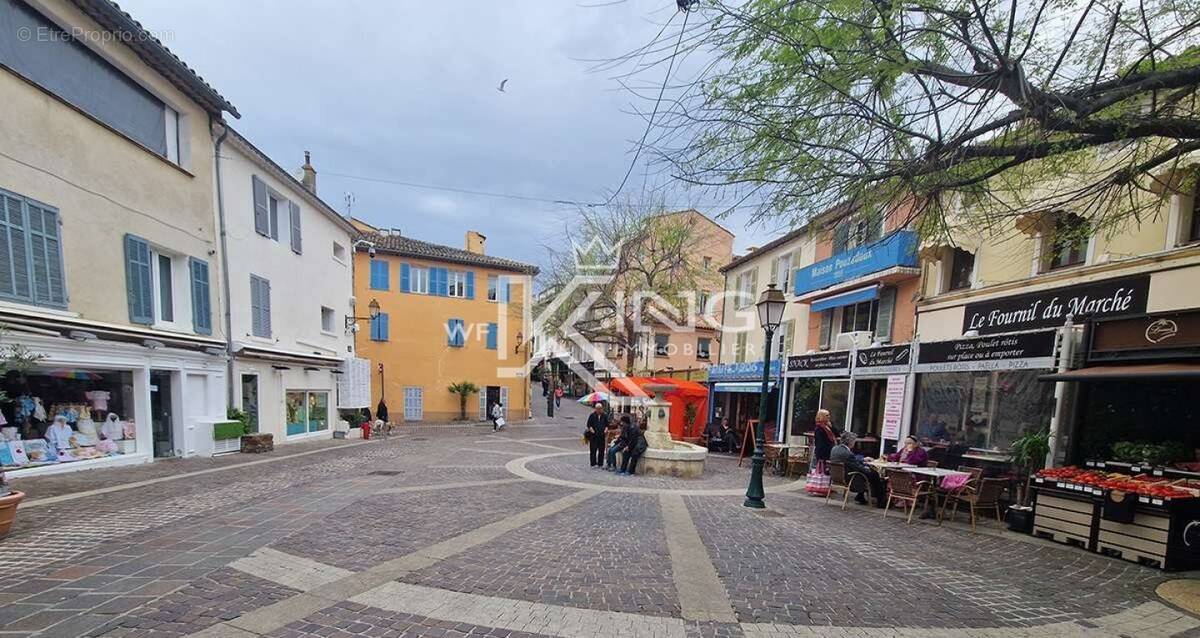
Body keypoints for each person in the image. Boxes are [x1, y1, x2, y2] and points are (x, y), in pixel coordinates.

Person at [830, 432, 885, 507]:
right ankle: (881, 501)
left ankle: (860, 496)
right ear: (850, 442)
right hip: (849, 477)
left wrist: (862, 459)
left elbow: (850, 461)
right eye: (854, 441)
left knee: (869, 474)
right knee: (874, 474)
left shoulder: (835, 449)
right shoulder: (848, 454)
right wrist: (867, 469)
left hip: (837, 477)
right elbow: (857, 467)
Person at [805, 409, 836, 496]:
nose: (829, 417)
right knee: (820, 471)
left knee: (826, 471)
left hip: (829, 452)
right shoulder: (819, 428)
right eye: (827, 415)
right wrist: (820, 455)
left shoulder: (828, 427)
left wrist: (831, 426)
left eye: (829, 415)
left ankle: (825, 488)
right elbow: (820, 443)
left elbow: (836, 434)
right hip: (822, 453)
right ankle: (818, 488)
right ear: (821, 417)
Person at [585, 402, 609, 467]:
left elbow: (607, 424)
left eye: (600, 408)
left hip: (601, 435)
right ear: (595, 409)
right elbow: (589, 424)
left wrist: (606, 429)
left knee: (601, 450)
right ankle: (593, 463)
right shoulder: (592, 415)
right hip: (594, 435)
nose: (599, 410)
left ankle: (600, 463)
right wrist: (591, 430)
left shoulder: (604, 415)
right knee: (593, 449)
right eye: (598, 409)